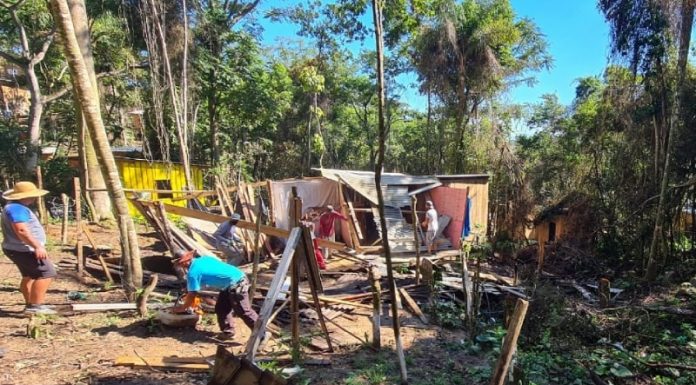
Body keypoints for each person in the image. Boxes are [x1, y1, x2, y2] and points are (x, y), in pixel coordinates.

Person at [171, 250, 259, 339]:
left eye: (180, 263)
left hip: (236, 282)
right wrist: (188, 288)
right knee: (221, 308)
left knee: (243, 310)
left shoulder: (193, 273)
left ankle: (261, 333)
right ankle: (228, 331)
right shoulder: (204, 259)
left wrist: (182, 307)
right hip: (232, 279)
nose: (180, 266)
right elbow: (209, 274)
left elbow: (193, 293)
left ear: (186, 261)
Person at [1, 181, 56, 314]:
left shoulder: (12, 207)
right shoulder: (17, 209)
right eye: (32, 195)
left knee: (29, 276)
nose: (34, 198)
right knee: (46, 273)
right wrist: (37, 246)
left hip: (16, 248)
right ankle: (35, 306)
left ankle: (30, 303)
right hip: (24, 248)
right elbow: (21, 231)